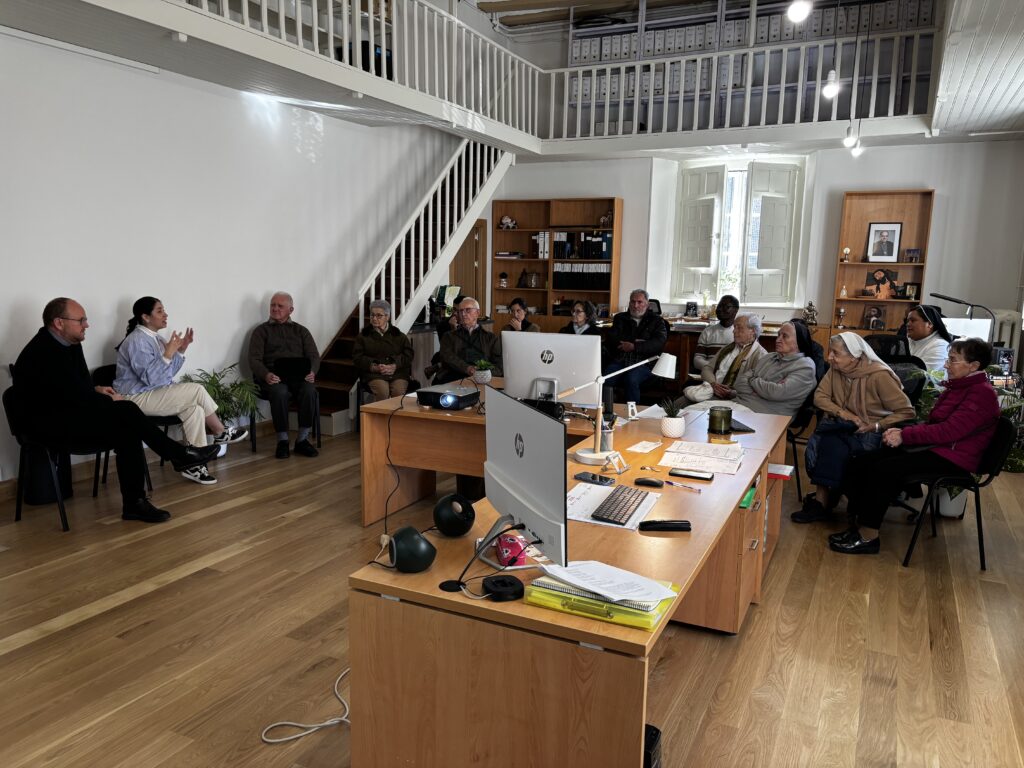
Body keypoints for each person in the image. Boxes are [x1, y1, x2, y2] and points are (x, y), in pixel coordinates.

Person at [12, 298, 220, 523]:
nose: (86, 325)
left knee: (126, 428)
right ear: (59, 323)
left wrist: (96, 389)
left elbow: (74, 389)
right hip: (47, 425)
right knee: (126, 411)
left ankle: (135, 503)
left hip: (70, 413)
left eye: (86, 320)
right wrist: (102, 399)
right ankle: (178, 456)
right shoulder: (40, 353)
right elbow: (63, 399)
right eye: (81, 320)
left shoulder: (71, 344)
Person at [829, 338, 1000, 555]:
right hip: (938, 449)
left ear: (973, 366)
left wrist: (905, 435)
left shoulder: (981, 393)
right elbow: (935, 425)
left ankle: (868, 536)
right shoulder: (959, 387)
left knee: (885, 469)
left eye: (953, 360)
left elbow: (948, 431)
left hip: (953, 458)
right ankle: (857, 526)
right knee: (860, 461)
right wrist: (897, 432)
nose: (946, 365)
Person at [113, 297, 248, 485]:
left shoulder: (155, 338)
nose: (165, 314)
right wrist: (168, 353)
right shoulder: (137, 340)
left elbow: (166, 374)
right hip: (133, 399)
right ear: (145, 316)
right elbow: (151, 379)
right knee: (197, 390)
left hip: (153, 394)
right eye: (159, 311)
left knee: (195, 409)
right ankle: (219, 431)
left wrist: (181, 350)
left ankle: (195, 466)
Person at [792, 332, 915, 523]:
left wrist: (875, 425)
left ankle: (839, 501)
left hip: (872, 430)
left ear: (854, 356)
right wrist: (845, 414)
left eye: (835, 353)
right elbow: (820, 397)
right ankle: (822, 502)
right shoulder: (835, 370)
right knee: (826, 443)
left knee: (841, 451)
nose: (829, 358)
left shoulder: (879, 375)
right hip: (843, 424)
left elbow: (906, 411)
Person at [248, 292, 320, 460]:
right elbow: (254, 359)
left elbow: (314, 357)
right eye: (273, 305)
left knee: (309, 390)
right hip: (273, 377)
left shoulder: (301, 331)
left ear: (291, 309)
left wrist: (312, 372)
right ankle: (283, 441)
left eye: (280, 306)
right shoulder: (261, 331)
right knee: (279, 392)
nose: (275, 308)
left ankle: (302, 440)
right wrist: (266, 375)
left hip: (298, 376)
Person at [729, 321, 817, 416]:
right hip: (741, 404)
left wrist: (752, 381)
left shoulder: (805, 366)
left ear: (799, 341)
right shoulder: (769, 357)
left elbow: (776, 392)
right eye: (778, 335)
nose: (778, 339)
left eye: (785, 336)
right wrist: (762, 392)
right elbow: (739, 384)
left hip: (768, 415)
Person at [680, 313, 767, 404]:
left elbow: (754, 388)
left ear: (752, 331)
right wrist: (713, 384)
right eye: (734, 327)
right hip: (710, 390)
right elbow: (707, 369)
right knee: (677, 404)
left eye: (739, 328)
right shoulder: (728, 348)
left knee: (683, 409)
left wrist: (731, 393)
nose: (734, 331)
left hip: (733, 398)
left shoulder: (760, 355)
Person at [604, 289, 667, 403]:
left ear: (647, 304)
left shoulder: (657, 320)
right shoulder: (620, 318)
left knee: (631, 379)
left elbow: (658, 343)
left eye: (639, 302)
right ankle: (605, 410)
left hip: (646, 362)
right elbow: (612, 339)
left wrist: (634, 346)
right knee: (605, 378)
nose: (635, 305)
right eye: (632, 302)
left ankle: (632, 414)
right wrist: (637, 341)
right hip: (621, 359)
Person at [352, 299, 414, 402]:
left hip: (397, 373)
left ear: (387, 317)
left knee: (398, 392)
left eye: (379, 315)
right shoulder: (363, 336)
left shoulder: (398, 335)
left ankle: (395, 418)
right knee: (382, 391)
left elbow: (409, 355)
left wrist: (395, 365)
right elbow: (357, 357)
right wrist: (374, 367)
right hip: (374, 374)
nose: (374, 318)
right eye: (372, 315)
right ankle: (381, 418)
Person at [436, 297, 503, 384]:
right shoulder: (449, 336)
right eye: (461, 311)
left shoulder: (491, 338)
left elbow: (499, 367)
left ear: (477, 313)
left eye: (468, 310)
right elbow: (447, 358)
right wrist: (468, 368)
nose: (463, 314)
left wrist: (482, 373)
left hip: (483, 380)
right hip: (454, 379)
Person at [693, 295, 739, 371]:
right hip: (709, 375)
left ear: (736, 310)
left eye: (725, 306)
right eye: (719, 306)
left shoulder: (741, 333)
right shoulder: (708, 332)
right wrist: (712, 367)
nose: (720, 309)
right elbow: (697, 360)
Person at [906, 304, 952, 372]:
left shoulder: (940, 346)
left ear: (929, 324)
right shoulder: (907, 341)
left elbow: (920, 375)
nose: (908, 324)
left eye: (913, 320)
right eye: (907, 321)